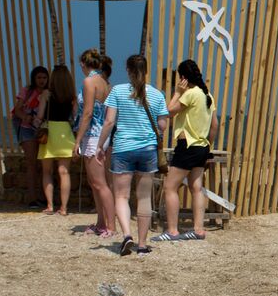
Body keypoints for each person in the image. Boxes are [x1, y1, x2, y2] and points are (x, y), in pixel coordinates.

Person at [97, 54, 169, 256]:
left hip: (123, 149)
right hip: (147, 150)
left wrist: (100, 146)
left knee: (121, 196)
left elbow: (109, 122)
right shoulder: (157, 95)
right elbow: (162, 125)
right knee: (144, 197)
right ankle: (143, 245)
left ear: (128, 71)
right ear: (146, 70)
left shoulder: (118, 91)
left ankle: (127, 235)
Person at [153, 59, 219, 242]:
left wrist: (176, 92)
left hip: (187, 146)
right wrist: (208, 146)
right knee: (196, 188)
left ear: (183, 77)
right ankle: (198, 229)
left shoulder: (190, 94)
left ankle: (172, 231)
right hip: (202, 146)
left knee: (170, 187)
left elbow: (167, 111)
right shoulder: (208, 96)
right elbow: (214, 125)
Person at [74, 48, 115, 237]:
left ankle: (111, 226)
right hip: (104, 136)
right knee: (97, 182)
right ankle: (101, 222)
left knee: (99, 183)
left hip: (93, 135)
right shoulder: (106, 83)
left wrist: (77, 140)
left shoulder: (89, 82)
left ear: (83, 64)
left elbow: (87, 113)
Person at [37, 64, 78, 216]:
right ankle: (64, 208)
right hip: (65, 132)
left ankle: (49, 205)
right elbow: (75, 117)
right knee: (64, 172)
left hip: (49, 132)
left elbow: (40, 116)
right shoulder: (71, 97)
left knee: (47, 172)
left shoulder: (47, 94)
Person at [11, 65, 48, 207]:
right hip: (27, 129)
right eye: (39, 77)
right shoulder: (26, 91)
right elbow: (17, 110)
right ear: (34, 78)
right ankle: (32, 197)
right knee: (32, 163)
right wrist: (26, 117)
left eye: (44, 77)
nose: (41, 80)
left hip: (42, 129)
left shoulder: (48, 93)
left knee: (41, 164)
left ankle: (43, 196)